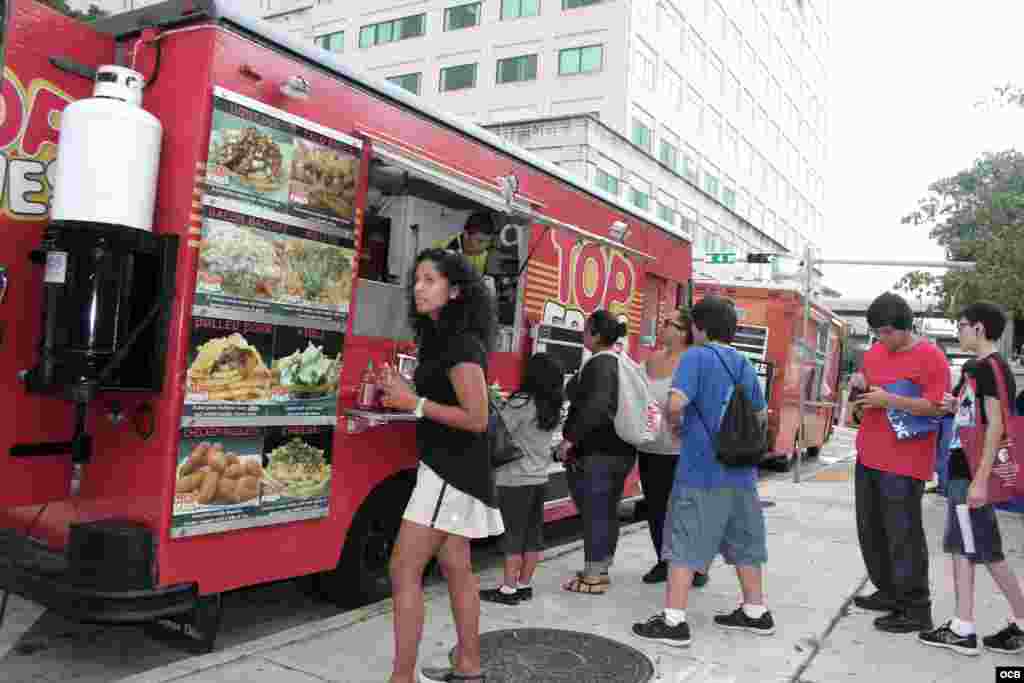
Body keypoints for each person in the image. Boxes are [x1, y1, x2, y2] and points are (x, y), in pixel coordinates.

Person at [378, 248, 503, 683]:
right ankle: (468, 664)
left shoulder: (460, 343)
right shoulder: (440, 337)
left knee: (403, 568)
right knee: (456, 567)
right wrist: (406, 392)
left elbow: (477, 418)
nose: (419, 288)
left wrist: (414, 403)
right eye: (417, 280)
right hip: (449, 467)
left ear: (454, 290)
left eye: (430, 280)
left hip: (452, 470)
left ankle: (402, 677)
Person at [632, 295, 771, 648]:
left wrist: (676, 424)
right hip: (740, 473)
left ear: (699, 327)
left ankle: (674, 620)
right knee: (744, 541)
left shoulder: (696, 357)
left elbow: (676, 403)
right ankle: (755, 611)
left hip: (701, 469)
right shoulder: (742, 362)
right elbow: (758, 415)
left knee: (683, 542)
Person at [918, 302, 1024, 656]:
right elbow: (976, 416)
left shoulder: (989, 368)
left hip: (971, 473)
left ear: (979, 328)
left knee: (971, 548)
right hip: (967, 471)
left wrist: (980, 480)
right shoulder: (980, 369)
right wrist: (955, 405)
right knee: (977, 547)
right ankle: (1007, 624)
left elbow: (996, 424)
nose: (959, 331)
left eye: (962, 325)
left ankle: (964, 629)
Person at [849, 292, 948, 634]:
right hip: (870, 453)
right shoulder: (875, 351)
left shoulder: (932, 357)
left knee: (903, 533)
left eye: (888, 332)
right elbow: (867, 387)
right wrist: (859, 384)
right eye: (877, 332)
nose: (882, 339)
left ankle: (916, 607)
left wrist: (890, 399)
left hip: (906, 461)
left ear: (907, 327)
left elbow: (937, 408)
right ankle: (889, 592)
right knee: (871, 528)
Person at [555, 310, 637, 594]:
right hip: (621, 452)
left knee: (594, 512)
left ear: (596, 335)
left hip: (598, 453)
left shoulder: (600, 365)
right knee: (607, 510)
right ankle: (601, 566)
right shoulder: (619, 363)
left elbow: (597, 407)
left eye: (586, 328)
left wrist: (570, 440)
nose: (582, 333)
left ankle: (593, 576)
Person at [480, 352, 566, 606]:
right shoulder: (551, 405)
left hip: (514, 479)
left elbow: (497, 428)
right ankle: (524, 584)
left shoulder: (522, 402)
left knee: (513, 536)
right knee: (532, 536)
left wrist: (493, 403)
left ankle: (508, 589)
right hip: (539, 478)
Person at [637, 307, 708, 588]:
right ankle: (664, 560)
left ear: (684, 333)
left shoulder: (692, 362)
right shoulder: (652, 360)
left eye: (670, 323)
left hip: (683, 451)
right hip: (651, 447)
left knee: (684, 510)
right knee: (655, 508)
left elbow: (704, 402)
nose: (662, 326)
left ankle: (695, 565)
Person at [432, 211, 495, 277]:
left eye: (489, 241)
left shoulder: (488, 251)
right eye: (480, 241)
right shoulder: (444, 251)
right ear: (466, 235)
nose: (484, 247)